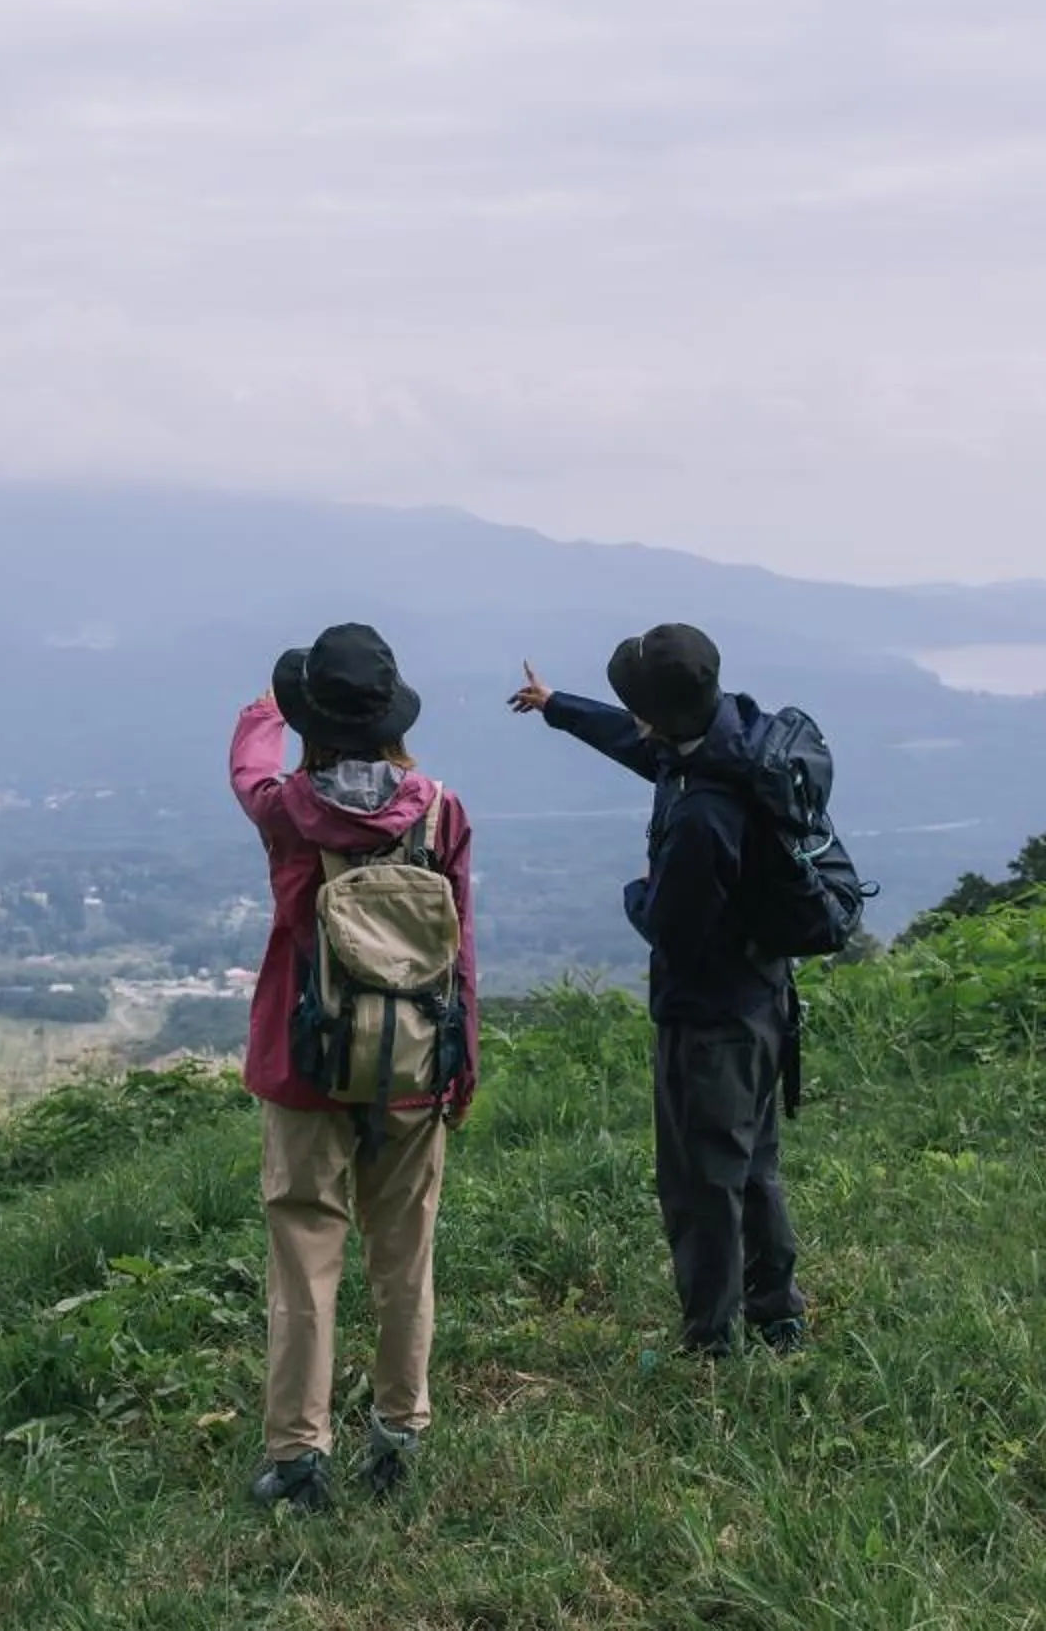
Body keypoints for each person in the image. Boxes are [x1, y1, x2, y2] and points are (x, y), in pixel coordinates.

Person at [231, 622, 479, 1514]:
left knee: (305, 1256)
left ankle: (299, 1458)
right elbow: (462, 953)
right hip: (415, 1061)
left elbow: (249, 772)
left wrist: (266, 707)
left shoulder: (288, 810)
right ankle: (400, 1436)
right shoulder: (442, 809)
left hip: (305, 1063)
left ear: (314, 721)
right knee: (404, 1256)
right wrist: (462, 1067)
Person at [510, 625, 807, 1360]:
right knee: (754, 1168)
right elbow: (637, 745)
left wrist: (635, 894)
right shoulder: (730, 744)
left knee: (702, 1183)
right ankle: (778, 1315)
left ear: (661, 714)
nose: (632, 716)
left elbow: (671, 926)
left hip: (708, 1022)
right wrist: (558, 706)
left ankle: (711, 1342)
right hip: (764, 998)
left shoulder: (704, 811)